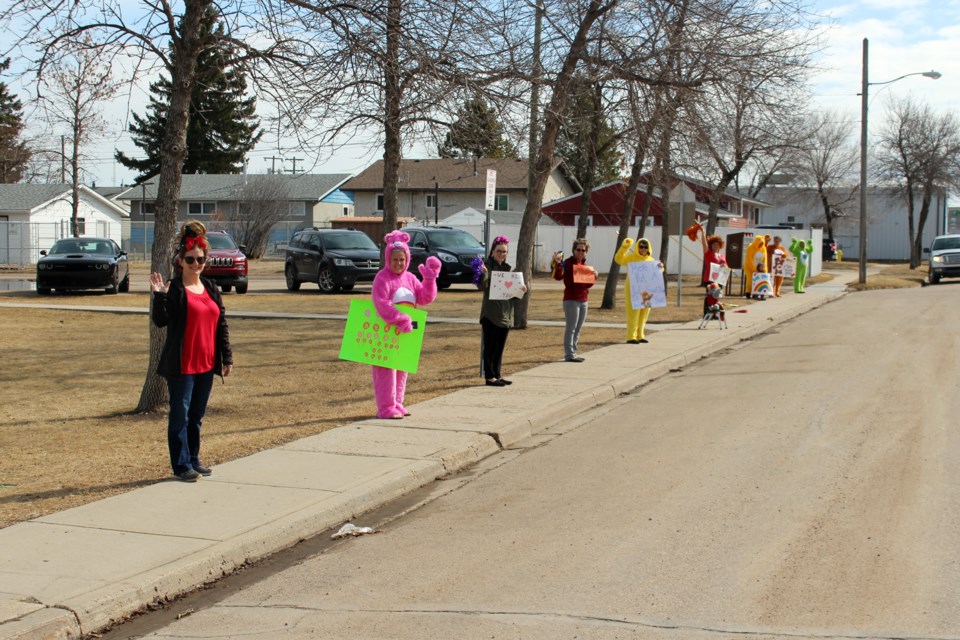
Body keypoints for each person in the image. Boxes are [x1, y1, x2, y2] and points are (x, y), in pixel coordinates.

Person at [150, 221, 233, 483]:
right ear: (181, 262)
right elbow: (161, 321)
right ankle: (181, 465)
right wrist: (159, 296)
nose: (196, 264)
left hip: (207, 363)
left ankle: (194, 459)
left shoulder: (209, 287)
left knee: (196, 416)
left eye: (200, 259)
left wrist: (226, 357)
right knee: (180, 416)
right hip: (183, 365)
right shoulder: (174, 289)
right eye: (191, 260)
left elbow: (221, 323)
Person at [370, 230, 442, 419]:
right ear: (388, 259)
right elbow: (381, 303)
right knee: (386, 371)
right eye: (395, 260)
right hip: (386, 333)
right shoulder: (382, 278)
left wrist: (429, 279)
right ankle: (385, 407)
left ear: (407, 259)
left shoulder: (410, 278)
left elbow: (425, 298)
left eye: (402, 259)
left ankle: (397, 403)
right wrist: (400, 318)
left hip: (405, 333)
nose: (398, 263)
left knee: (402, 369)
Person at [478, 236, 525, 385]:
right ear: (492, 252)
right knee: (490, 347)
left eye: (504, 252)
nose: (501, 254)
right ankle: (489, 377)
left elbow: (513, 296)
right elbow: (482, 286)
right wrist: (483, 273)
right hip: (491, 314)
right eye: (499, 251)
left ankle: (497, 375)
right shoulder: (486, 266)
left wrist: (521, 290)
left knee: (499, 348)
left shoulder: (508, 269)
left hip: (505, 314)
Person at [552, 238, 596, 362]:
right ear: (573, 250)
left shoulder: (584, 266)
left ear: (586, 252)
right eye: (578, 249)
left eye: (583, 250)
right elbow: (558, 276)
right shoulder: (567, 262)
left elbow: (587, 285)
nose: (580, 252)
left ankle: (574, 352)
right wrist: (558, 264)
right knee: (571, 328)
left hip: (583, 300)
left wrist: (594, 276)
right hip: (571, 300)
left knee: (578, 328)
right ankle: (569, 354)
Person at [614, 236, 662, 344]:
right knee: (633, 314)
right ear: (638, 247)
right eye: (641, 246)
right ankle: (631, 336)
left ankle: (640, 335)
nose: (643, 249)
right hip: (633, 290)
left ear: (648, 248)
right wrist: (625, 247)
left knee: (644, 314)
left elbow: (657, 273)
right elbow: (618, 259)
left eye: (645, 247)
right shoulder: (631, 258)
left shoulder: (651, 260)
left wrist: (660, 267)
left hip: (647, 292)